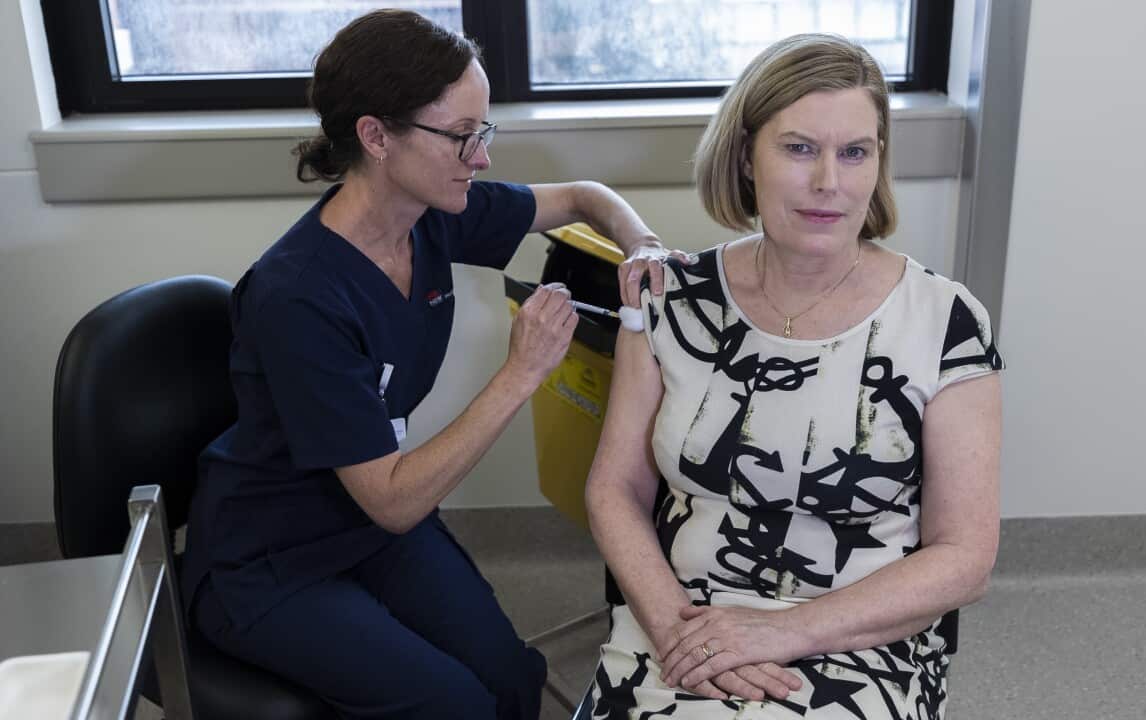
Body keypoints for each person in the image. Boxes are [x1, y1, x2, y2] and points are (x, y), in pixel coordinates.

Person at [179, 10, 677, 720]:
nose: (482, 157)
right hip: (270, 561)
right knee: (453, 706)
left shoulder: (433, 213)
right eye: (461, 137)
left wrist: (645, 243)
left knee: (511, 681)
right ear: (376, 136)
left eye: (485, 131)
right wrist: (521, 373)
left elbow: (583, 199)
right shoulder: (298, 296)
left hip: (369, 530)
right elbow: (394, 497)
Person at [585, 34, 1005, 719]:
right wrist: (674, 629)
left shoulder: (946, 322)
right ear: (748, 155)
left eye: (854, 152)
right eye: (799, 148)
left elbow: (966, 556)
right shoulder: (672, 299)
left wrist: (782, 632)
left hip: (861, 636)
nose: (828, 184)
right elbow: (614, 488)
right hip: (683, 621)